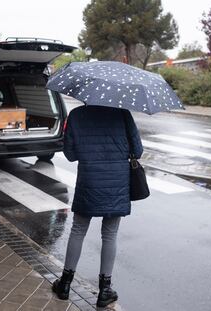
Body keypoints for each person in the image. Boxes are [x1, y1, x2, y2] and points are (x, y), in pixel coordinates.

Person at [52, 105, 143, 308]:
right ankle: (105, 290)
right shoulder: (123, 113)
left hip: (89, 179)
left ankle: (65, 285)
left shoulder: (76, 115)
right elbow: (137, 151)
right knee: (109, 235)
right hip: (117, 182)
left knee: (78, 230)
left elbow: (69, 154)